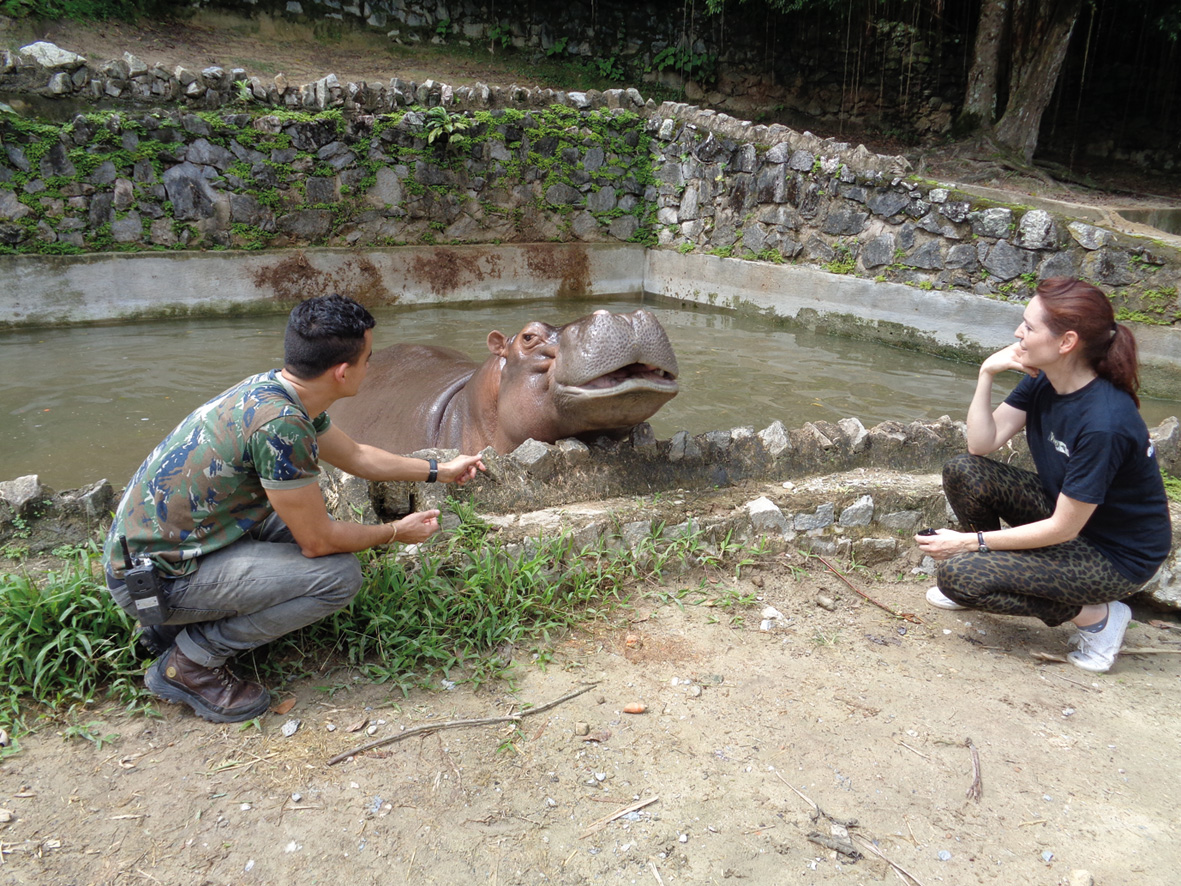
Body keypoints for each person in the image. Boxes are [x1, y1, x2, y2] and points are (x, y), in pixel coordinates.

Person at [103, 294, 485, 723]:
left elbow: (357, 456)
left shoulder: (277, 391)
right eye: (368, 359)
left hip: (167, 552)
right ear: (343, 372)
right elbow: (318, 542)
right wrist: (396, 532)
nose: (371, 368)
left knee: (326, 537)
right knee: (338, 577)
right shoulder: (281, 427)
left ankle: (168, 630)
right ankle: (189, 664)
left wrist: (440, 470)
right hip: (153, 581)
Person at [915, 277, 1172, 673]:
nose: (1019, 333)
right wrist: (986, 374)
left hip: (1113, 556)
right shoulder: (1044, 381)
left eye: (1029, 327)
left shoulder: (1104, 422)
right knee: (964, 471)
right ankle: (996, 573)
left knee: (958, 576)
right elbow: (981, 444)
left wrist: (972, 544)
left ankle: (1097, 618)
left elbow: (1063, 530)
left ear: (1066, 342)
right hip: (1069, 521)